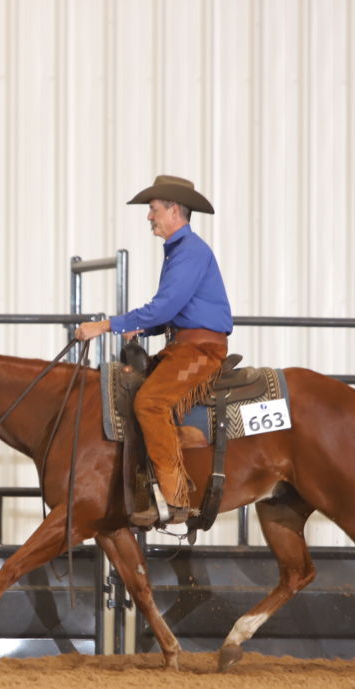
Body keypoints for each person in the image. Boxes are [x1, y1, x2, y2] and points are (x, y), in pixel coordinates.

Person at [75, 175, 233, 526]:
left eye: (154, 209)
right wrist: (143, 326)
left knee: (150, 402)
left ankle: (175, 499)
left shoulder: (189, 251)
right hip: (186, 344)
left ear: (174, 210)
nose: (150, 217)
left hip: (200, 349)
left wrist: (105, 326)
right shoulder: (182, 251)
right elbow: (174, 310)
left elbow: (164, 307)